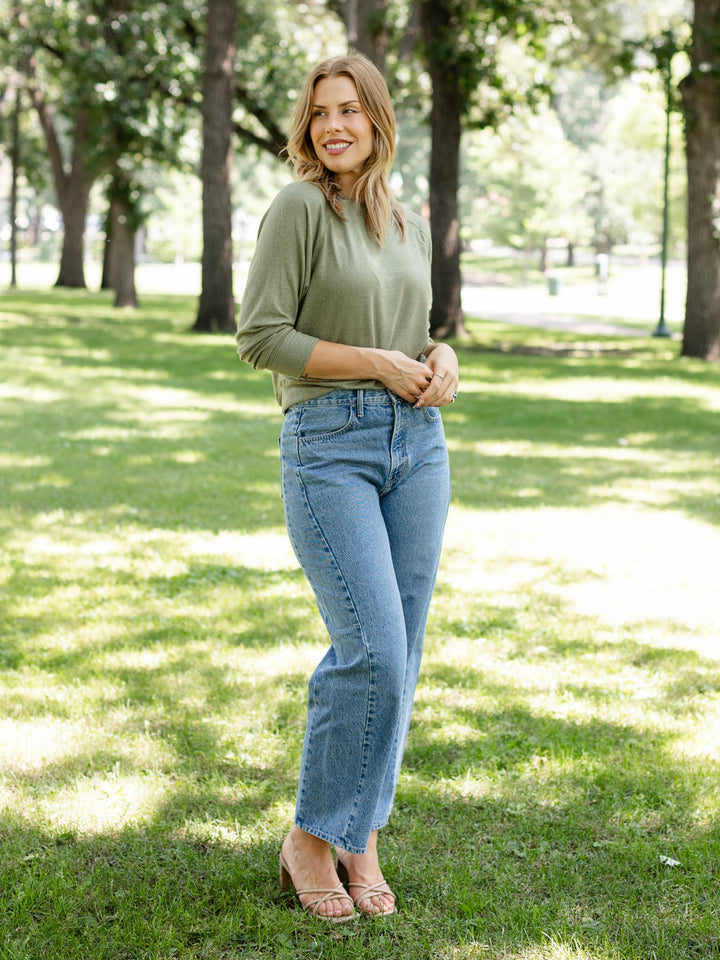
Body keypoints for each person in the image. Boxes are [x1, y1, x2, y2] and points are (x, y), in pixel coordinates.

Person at [235, 52, 459, 921]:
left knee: (398, 660)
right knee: (369, 649)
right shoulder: (298, 209)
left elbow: (423, 331)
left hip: (419, 448)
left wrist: (443, 359)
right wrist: (372, 364)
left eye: (349, 111)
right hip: (330, 445)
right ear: (307, 125)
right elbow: (260, 336)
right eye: (320, 112)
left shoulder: (405, 219)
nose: (334, 125)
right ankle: (309, 836)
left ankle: (359, 835)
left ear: (377, 121)